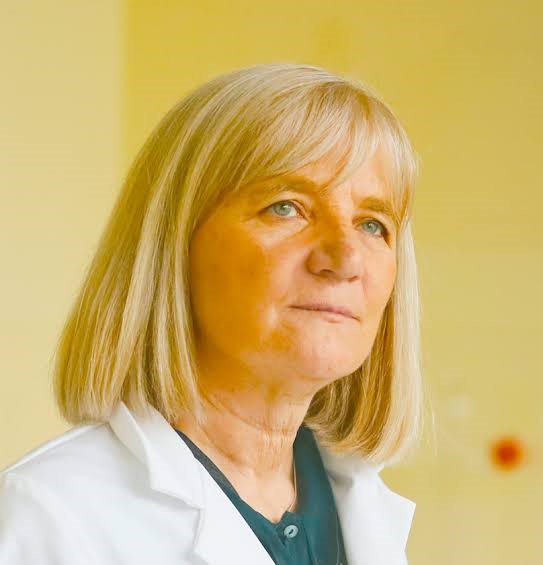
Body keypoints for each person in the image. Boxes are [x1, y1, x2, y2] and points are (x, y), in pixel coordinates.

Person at [0, 62, 424, 565]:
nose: (346, 258)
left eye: (372, 225)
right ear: (174, 244)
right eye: (286, 207)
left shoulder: (358, 512)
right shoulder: (48, 519)